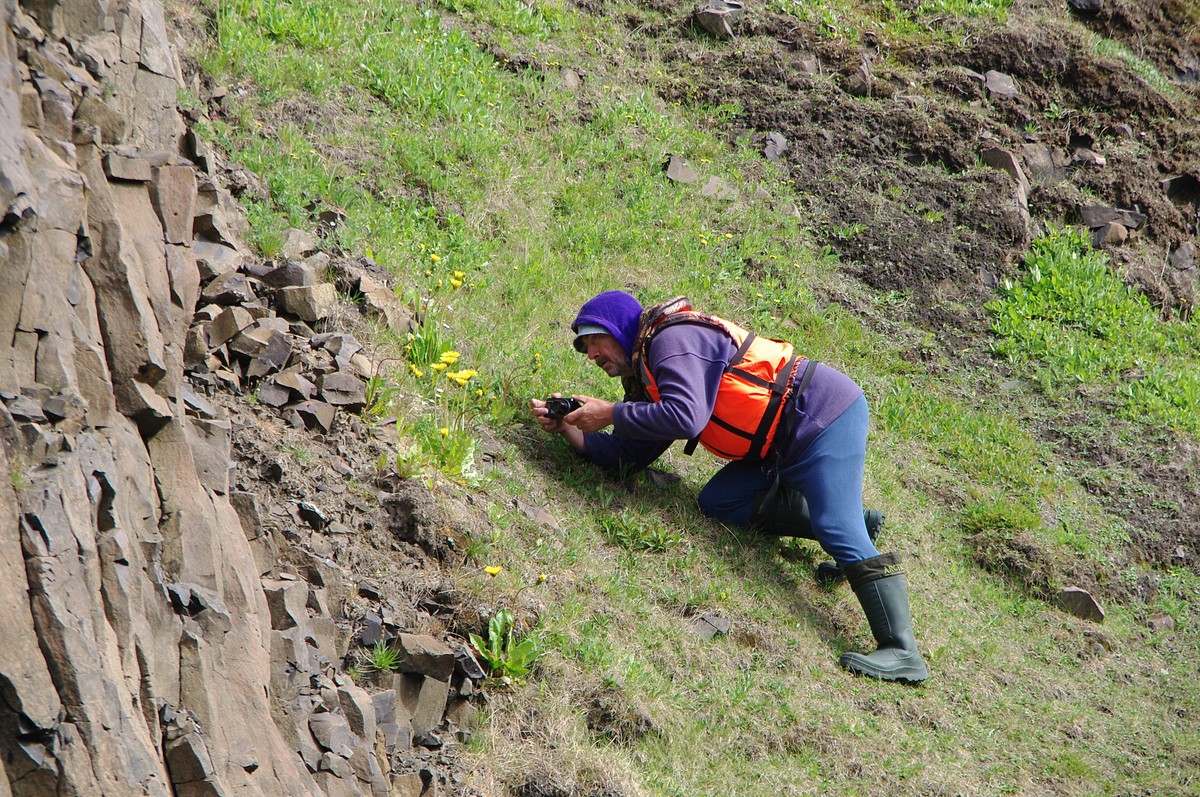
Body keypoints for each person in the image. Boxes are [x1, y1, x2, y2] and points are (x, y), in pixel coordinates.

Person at [530, 290, 929, 683]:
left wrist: (612, 413)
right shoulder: (648, 375)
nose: (591, 354)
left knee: (835, 526)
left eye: (594, 340)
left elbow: (686, 417)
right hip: (775, 446)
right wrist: (571, 430)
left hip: (819, 415)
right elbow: (629, 455)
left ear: (619, 329)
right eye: (582, 348)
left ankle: (902, 651)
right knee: (720, 500)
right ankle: (857, 522)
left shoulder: (672, 339)